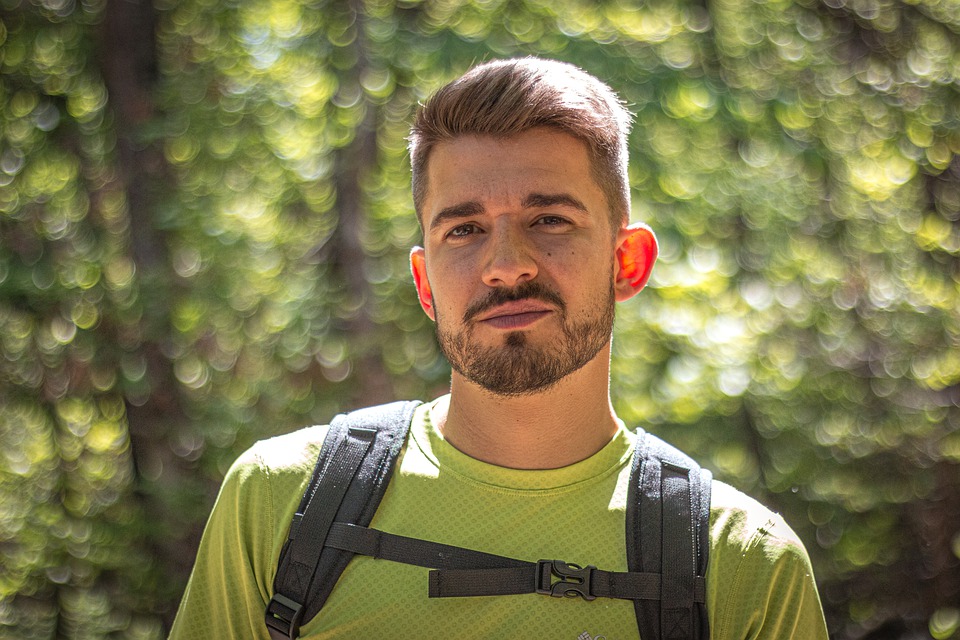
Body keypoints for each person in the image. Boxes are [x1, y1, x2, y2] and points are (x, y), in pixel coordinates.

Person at [169, 57, 829, 639]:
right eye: (464, 229)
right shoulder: (281, 500)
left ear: (626, 262)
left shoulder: (743, 563)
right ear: (425, 285)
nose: (507, 265)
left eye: (550, 220)